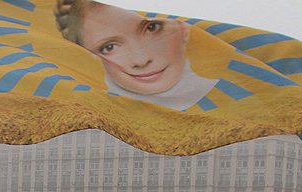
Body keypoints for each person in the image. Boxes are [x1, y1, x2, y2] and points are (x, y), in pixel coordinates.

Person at [53, 0, 218, 110]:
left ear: (183, 29)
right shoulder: (92, 119)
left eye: (152, 28)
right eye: (109, 47)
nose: (141, 60)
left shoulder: (234, 99)